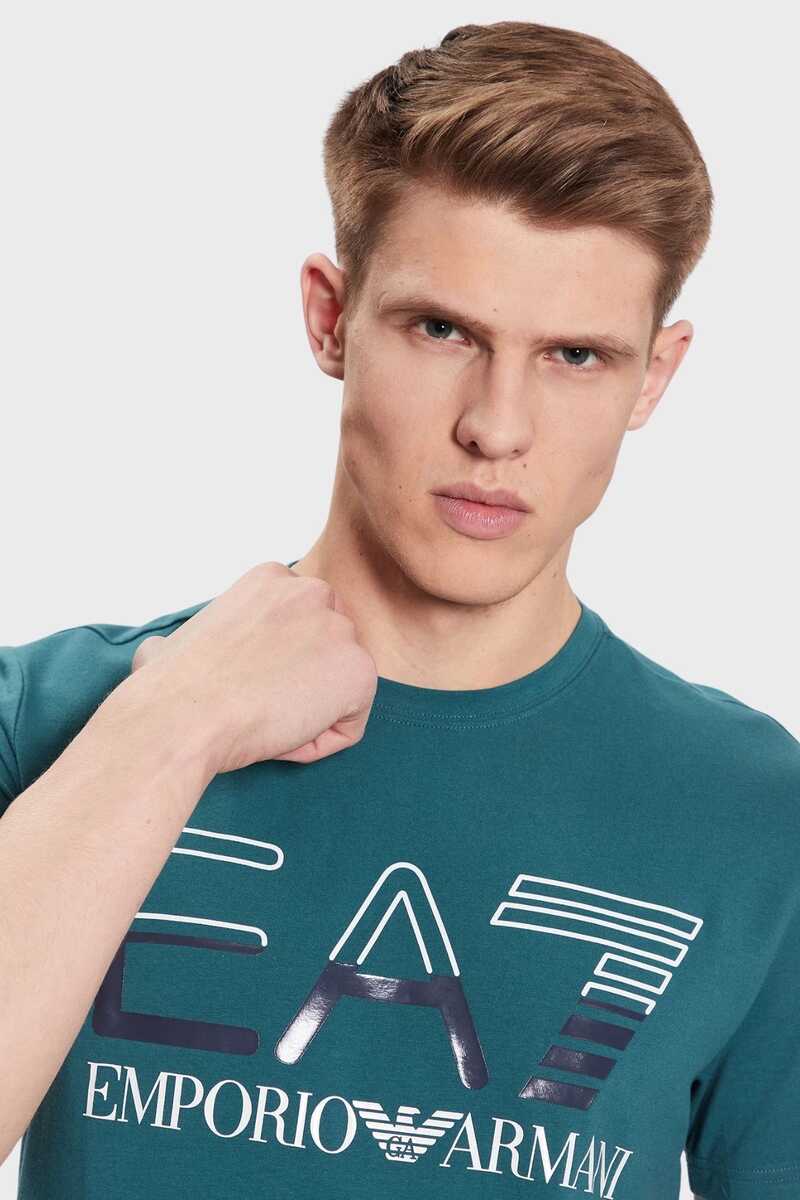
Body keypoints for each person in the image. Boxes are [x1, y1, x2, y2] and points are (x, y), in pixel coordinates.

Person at [0, 18, 797, 1200]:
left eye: (574, 356)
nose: (496, 426)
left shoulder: (752, 815)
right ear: (329, 318)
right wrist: (167, 730)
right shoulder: (47, 716)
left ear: (654, 375)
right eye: (441, 330)